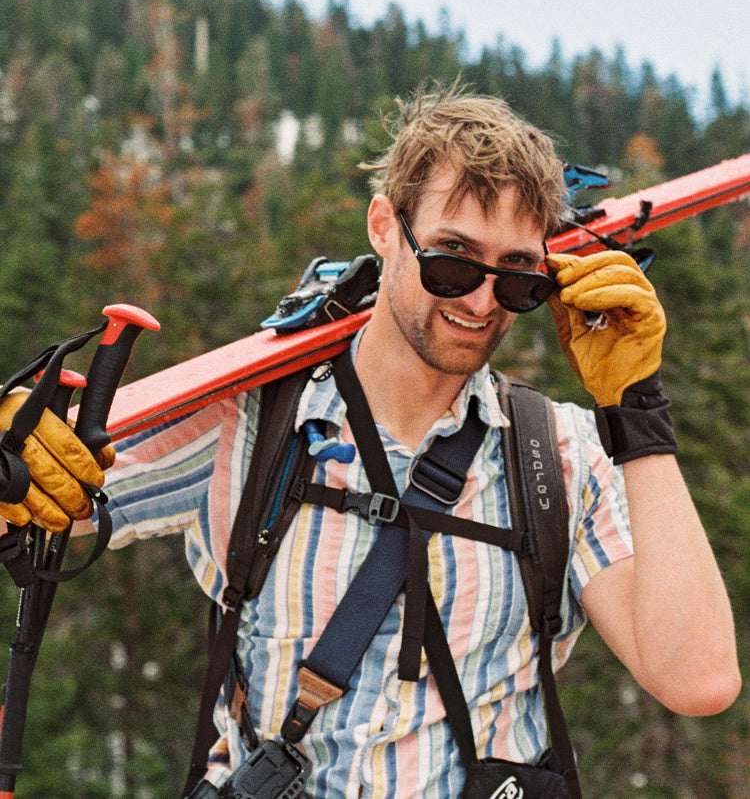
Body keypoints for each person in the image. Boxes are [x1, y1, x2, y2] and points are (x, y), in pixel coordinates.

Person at [0, 85, 740, 798]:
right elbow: (35, 496)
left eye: (517, 277)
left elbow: (697, 678)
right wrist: (12, 455)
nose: (482, 302)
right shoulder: (246, 426)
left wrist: (634, 410)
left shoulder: (560, 457)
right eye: (453, 259)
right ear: (384, 227)